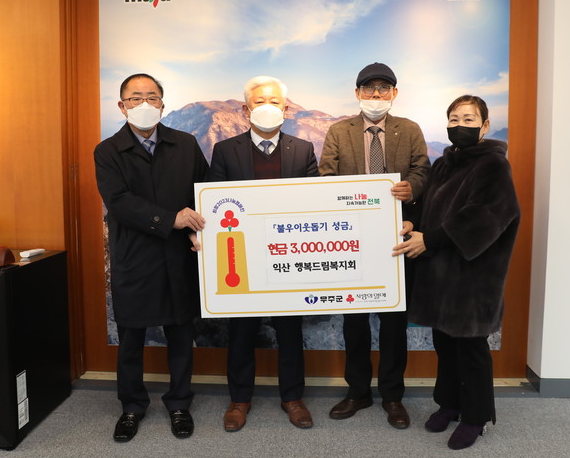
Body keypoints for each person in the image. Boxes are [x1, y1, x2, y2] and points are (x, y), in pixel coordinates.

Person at [393, 95, 520, 450]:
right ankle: (449, 403)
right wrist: (412, 222)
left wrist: (430, 239)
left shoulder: (493, 165)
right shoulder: (443, 164)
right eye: (453, 119)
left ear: (484, 125)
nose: (459, 125)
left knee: (471, 348)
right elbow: (429, 206)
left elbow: (485, 216)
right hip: (440, 273)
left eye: (468, 119)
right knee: (445, 343)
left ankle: (477, 417)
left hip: (473, 276)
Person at [94, 73, 208, 442]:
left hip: (178, 255)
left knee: (181, 333)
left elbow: (205, 190)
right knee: (131, 337)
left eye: (152, 97)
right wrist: (171, 219)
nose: (144, 104)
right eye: (135, 98)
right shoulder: (107, 151)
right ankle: (131, 407)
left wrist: (198, 229)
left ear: (162, 103)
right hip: (134, 256)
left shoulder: (185, 144)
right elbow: (120, 202)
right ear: (121, 105)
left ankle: (179, 403)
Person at [319, 62, 430, 429]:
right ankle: (358, 392)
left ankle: (393, 396)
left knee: (394, 324)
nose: (377, 95)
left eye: (384, 88)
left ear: (394, 94)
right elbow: (326, 176)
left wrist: (413, 187)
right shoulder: (339, 131)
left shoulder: (409, 129)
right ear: (357, 93)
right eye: (369, 88)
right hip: (352, 242)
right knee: (354, 322)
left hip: (397, 237)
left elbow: (423, 170)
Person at [209, 75, 319, 432]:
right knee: (241, 330)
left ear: (286, 109)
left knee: (290, 330)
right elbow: (214, 202)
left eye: (275, 102)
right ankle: (240, 399)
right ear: (246, 109)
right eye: (259, 102)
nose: (267, 107)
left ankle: (293, 397)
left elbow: (315, 203)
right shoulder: (226, 151)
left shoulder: (303, 150)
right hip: (242, 256)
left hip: (287, 256)